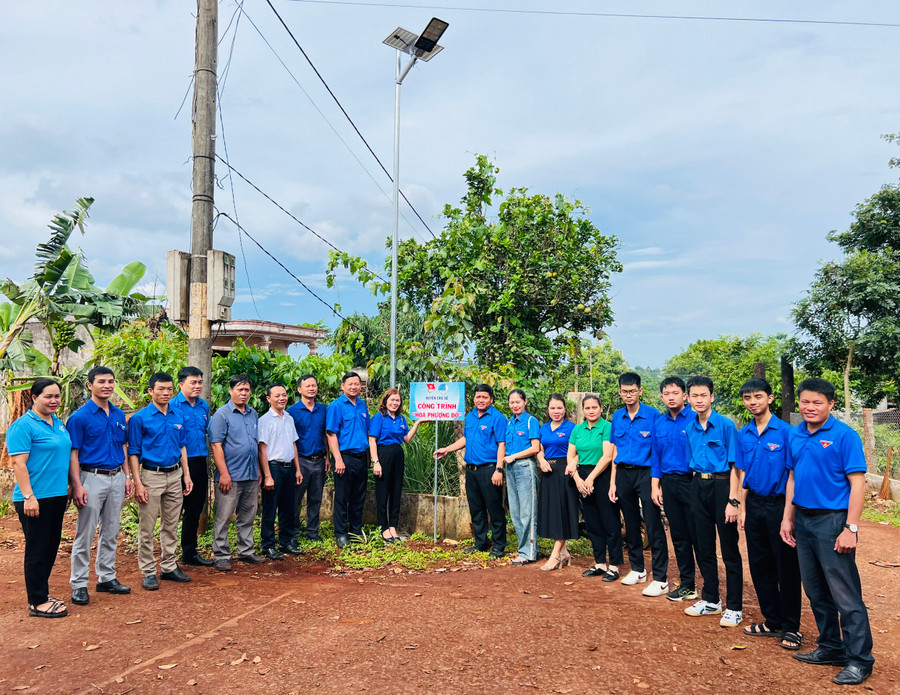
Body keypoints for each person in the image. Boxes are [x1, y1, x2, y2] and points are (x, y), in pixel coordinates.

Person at [781, 378, 874, 686]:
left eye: (817, 402)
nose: (810, 407)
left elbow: (857, 483)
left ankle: (860, 659)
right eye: (805, 402)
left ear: (831, 404)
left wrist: (851, 527)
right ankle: (831, 646)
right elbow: (793, 476)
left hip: (833, 522)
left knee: (845, 594)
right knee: (816, 591)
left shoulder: (844, 436)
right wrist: (787, 518)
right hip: (804, 521)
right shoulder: (795, 433)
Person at [737, 377, 802, 650]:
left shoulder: (788, 433)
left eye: (758, 397)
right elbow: (741, 473)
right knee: (760, 565)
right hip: (754, 505)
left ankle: (791, 628)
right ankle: (771, 620)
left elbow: (793, 475)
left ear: (770, 399)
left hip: (780, 506)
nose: (753, 402)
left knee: (786, 567)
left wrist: (789, 516)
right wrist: (741, 507)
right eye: (748, 398)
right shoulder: (744, 434)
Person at [67, 366, 132, 606]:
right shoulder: (79, 417)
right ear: (90, 385)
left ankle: (106, 577)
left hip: (116, 476)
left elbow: (123, 447)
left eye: (111, 381)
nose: (107, 385)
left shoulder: (117, 414)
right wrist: (77, 485)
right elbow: (73, 453)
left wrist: (127, 477)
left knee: (111, 530)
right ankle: (79, 584)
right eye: (102, 381)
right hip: (91, 477)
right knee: (85, 532)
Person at [683, 376, 744, 627]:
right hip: (698, 484)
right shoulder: (690, 426)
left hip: (722, 486)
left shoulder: (726, 426)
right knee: (703, 545)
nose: (699, 400)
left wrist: (733, 500)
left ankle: (735, 607)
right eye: (694, 396)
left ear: (712, 397)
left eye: (703, 395)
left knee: (729, 548)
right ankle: (711, 599)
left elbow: (735, 467)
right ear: (688, 398)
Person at [8, 378, 71, 618]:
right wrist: (29, 497)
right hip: (35, 498)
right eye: (48, 396)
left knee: (50, 547)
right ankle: (37, 601)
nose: (54, 401)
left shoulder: (57, 423)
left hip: (56, 496)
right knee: (37, 549)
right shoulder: (23, 426)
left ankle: (42, 594)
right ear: (34, 398)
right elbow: (18, 464)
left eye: (57, 396)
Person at [128, 372, 194, 590]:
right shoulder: (140, 418)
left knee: (171, 524)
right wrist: (138, 482)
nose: (166, 393)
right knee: (147, 526)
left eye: (169, 389)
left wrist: (186, 475)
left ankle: (168, 566)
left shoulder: (178, 415)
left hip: (175, 475)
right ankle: (148, 570)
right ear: (150, 391)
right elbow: (134, 452)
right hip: (151, 476)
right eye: (160, 389)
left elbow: (182, 446)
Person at [609, 372, 667, 595]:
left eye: (632, 391)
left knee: (652, 522)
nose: (628, 395)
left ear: (640, 391)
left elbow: (658, 450)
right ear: (620, 392)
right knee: (630, 522)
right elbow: (615, 449)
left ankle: (660, 577)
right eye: (624, 391)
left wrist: (656, 483)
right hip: (623, 472)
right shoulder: (617, 417)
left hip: (646, 474)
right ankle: (637, 568)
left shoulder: (653, 415)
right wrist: (613, 482)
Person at [435, 384, 507, 558]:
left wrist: (499, 469)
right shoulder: (471, 416)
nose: (480, 400)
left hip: (489, 469)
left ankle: (499, 546)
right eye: (478, 397)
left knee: (495, 509)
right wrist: (447, 449)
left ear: (491, 399)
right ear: (474, 398)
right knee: (476, 508)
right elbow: (466, 439)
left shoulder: (498, 418)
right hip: (472, 470)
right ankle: (481, 543)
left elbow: (502, 445)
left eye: (484, 397)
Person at [650, 376, 700, 602]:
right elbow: (656, 458)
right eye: (667, 394)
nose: (671, 397)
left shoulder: (695, 419)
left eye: (675, 393)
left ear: (685, 396)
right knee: (679, 537)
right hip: (668, 484)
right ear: (662, 397)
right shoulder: (659, 423)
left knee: (699, 535)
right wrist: (655, 486)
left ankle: (709, 588)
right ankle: (688, 584)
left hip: (692, 483)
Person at [208, 374, 264, 570]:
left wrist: (257, 469)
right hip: (230, 476)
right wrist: (223, 473)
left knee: (248, 516)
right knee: (223, 517)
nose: (244, 393)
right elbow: (216, 445)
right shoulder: (222, 415)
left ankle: (246, 551)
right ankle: (221, 554)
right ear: (230, 391)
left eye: (247, 390)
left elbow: (254, 444)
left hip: (250, 474)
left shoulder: (253, 413)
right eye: (240, 389)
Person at [568, 393, 622, 581]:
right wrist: (577, 479)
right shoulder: (577, 429)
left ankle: (614, 566)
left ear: (600, 408)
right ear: (583, 410)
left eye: (594, 407)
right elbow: (571, 456)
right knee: (592, 523)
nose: (591, 411)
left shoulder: (607, 427)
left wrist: (590, 479)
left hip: (602, 475)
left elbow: (607, 455)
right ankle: (599, 563)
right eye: (587, 408)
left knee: (610, 522)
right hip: (582, 477)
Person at [368, 388, 421, 543]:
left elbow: (407, 439)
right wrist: (376, 462)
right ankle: (384, 528)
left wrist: (418, 422)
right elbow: (372, 440)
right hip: (383, 454)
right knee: (383, 493)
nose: (394, 403)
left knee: (396, 492)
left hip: (398, 455)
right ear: (385, 401)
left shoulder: (401, 419)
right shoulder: (379, 417)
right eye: (392, 400)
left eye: (397, 400)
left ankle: (393, 526)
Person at [172, 366, 213, 566]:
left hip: (199, 461)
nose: (197, 386)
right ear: (181, 385)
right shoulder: (172, 406)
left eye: (200, 382)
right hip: (178, 464)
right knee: (173, 510)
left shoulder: (203, 406)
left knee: (195, 509)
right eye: (193, 383)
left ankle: (189, 553)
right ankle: (168, 556)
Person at [326, 372, 371, 549]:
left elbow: (367, 433)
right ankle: (341, 533)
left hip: (361, 458)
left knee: (358, 497)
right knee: (342, 497)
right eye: (350, 384)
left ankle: (356, 530)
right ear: (343, 386)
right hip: (344, 457)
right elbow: (331, 434)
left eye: (357, 384)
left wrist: (367, 459)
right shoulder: (336, 406)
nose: (354, 387)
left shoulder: (362, 405)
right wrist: (338, 459)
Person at [258, 383, 302, 560]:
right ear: (269, 399)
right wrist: (267, 475)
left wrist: (297, 469)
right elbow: (262, 449)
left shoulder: (289, 418)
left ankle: (286, 541)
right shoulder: (264, 421)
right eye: (277, 395)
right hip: (273, 468)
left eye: (284, 395)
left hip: (289, 467)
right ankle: (268, 545)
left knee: (288, 507)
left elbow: (293, 444)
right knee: (270, 508)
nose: (282, 398)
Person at [536, 394, 578, 571]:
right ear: (548, 409)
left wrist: (572, 465)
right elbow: (539, 448)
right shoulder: (543, 428)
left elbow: (577, 452)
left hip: (565, 471)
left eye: (559, 408)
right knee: (552, 512)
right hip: (547, 472)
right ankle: (564, 552)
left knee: (563, 512)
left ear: (565, 409)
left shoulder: (573, 428)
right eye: (552, 408)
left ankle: (555, 556)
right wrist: (541, 460)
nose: (556, 411)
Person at [287, 374, 328, 543]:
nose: (311, 388)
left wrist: (328, 458)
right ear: (299, 389)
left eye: (314, 385)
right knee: (295, 499)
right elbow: (291, 440)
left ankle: (312, 532)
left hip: (319, 460)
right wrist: (295, 467)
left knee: (316, 498)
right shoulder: (292, 412)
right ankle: (293, 533)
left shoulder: (323, 409)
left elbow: (326, 434)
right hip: (301, 461)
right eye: (308, 386)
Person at [503, 389, 541, 565]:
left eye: (518, 402)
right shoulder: (509, 423)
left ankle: (530, 552)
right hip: (510, 469)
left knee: (528, 512)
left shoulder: (530, 421)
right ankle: (523, 549)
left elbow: (535, 448)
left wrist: (515, 456)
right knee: (516, 512)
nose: (515, 405)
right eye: (512, 402)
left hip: (525, 466)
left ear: (525, 402)